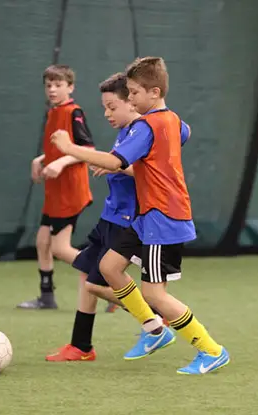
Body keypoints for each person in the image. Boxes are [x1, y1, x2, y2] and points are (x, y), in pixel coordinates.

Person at [51, 57, 229, 375]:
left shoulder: (146, 126)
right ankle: (153, 331)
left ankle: (210, 350)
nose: (129, 100)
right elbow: (184, 133)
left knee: (154, 294)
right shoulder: (171, 120)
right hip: (146, 216)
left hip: (163, 218)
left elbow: (116, 162)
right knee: (108, 267)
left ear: (154, 91)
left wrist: (69, 148)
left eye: (133, 93)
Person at [16, 64, 98, 310]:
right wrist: (41, 160)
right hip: (55, 192)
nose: (52, 90)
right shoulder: (54, 112)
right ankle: (46, 297)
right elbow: (59, 147)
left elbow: (88, 150)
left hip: (70, 192)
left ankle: (108, 278)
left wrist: (61, 163)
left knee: (61, 249)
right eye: (48, 85)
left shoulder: (74, 112)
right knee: (42, 242)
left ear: (70, 87)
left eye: (58, 85)